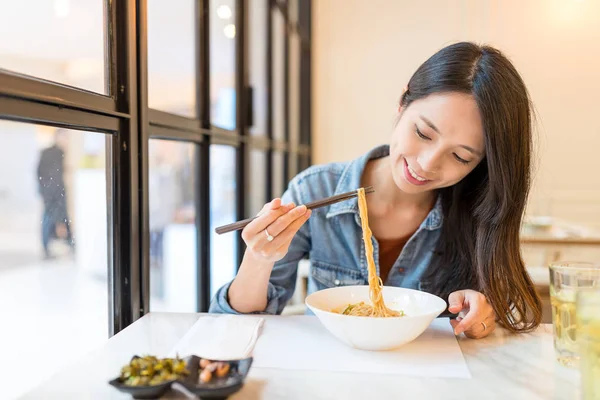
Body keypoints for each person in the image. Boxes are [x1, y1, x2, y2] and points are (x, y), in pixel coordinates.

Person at [209, 42, 543, 339]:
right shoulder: (316, 189)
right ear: (402, 102)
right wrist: (258, 257)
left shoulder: (477, 209)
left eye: (460, 156)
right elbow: (237, 324)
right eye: (424, 133)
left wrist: (481, 318)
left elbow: (491, 324)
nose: (427, 164)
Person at [37, 129, 75, 259]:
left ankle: (47, 249)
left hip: (48, 192)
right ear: (58, 137)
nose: (67, 141)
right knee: (54, 219)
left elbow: (39, 173)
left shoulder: (47, 152)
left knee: (48, 220)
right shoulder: (57, 153)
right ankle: (69, 246)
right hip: (53, 194)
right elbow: (54, 177)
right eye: (65, 137)